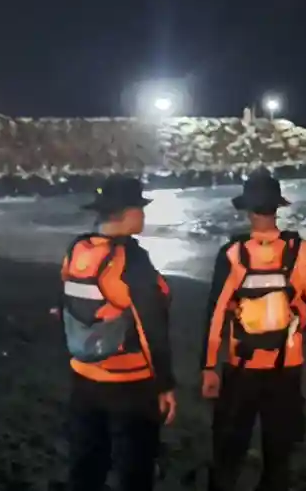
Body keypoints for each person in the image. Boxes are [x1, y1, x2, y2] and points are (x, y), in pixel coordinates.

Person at [201, 168, 306, 491]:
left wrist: (208, 367)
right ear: (278, 208)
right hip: (286, 368)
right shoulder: (301, 252)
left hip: (240, 366)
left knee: (228, 453)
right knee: (279, 455)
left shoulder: (233, 254)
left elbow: (216, 312)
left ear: (247, 209)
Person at [61, 175, 176, 491]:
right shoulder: (131, 259)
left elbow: (67, 305)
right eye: (141, 208)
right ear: (127, 212)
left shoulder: (78, 250)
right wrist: (164, 385)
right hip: (128, 385)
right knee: (134, 469)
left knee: (86, 465)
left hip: (83, 377)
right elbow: (150, 325)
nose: (144, 215)